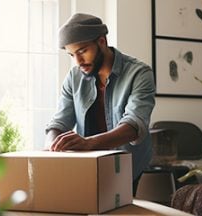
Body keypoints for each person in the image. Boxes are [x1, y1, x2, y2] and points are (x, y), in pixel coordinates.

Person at [45, 13, 155, 196]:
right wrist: (52, 146)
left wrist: (89, 143)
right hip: (87, 164)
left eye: (82, 51)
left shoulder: (140, 73)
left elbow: (134, 125)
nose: (78, 61)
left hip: (126, 164)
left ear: (102, 41)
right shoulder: (74, 77)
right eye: (71, 55)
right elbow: (59, 122)